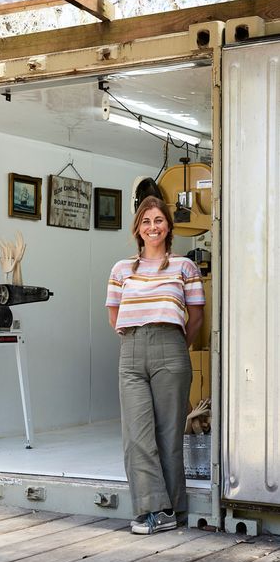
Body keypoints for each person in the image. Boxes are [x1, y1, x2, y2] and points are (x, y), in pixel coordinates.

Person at [106, 195, 204, 535]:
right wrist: (138, 341)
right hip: (131, 350)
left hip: (171, 348)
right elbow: (114, 315)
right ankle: (153, 509)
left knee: (169, 434)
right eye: (146, 221)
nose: (153, 227)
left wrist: (177, 346)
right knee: (137, 435)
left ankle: (172, 510)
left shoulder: (184, 268)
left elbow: (196, 317)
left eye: (158, 220)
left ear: (168, 226)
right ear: (138, 228)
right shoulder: (121, 270)